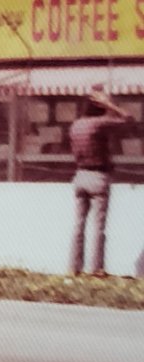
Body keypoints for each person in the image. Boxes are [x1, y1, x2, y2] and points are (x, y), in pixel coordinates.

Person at [69, 89, 135, 276]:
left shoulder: (76, 125)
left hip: (80, 175)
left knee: (79, 224)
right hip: (98, 176)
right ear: (99, 108)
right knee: (98, 226)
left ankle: (74, 267)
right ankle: (96, 268)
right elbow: (129, 119)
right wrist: (109, 104)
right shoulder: (99, 123)